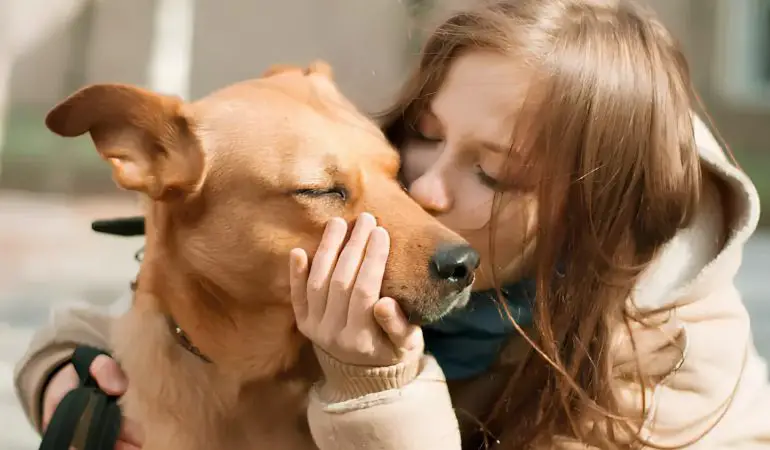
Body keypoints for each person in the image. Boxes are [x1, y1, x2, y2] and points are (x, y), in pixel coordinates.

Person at [15, 0, 769, 448]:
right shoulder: (371, 260)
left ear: (596, 216)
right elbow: (154, 311)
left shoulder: (678, 362)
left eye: (495, 174)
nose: (422, 193)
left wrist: (374, 382)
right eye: (422, 134)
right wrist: (57, 374)